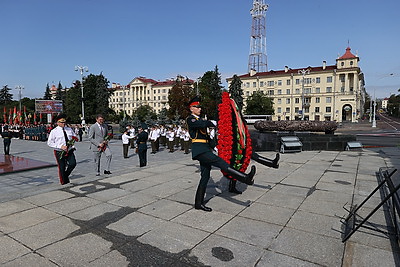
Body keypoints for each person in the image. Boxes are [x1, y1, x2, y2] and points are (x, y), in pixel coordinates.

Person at [186, 96, 256, 212]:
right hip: (200, 151)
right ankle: (244, 178)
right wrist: (210, 122)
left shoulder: (200, 120)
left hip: (205, 149)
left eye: (199, 107)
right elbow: (201, 125)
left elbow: (208, 138)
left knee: (205, 177)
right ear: (191, 108)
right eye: (197, 107)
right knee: (220, 163)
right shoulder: (191, 120)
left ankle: (198, 203)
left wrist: (215, 147)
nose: (199, 109)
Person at [47, 114, 77, 185]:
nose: (63, 124)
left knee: (73, 164)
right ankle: (64, 182)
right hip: (59, 151)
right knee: (62, 167)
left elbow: (74, 136)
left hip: (69, 150)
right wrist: (60, 146)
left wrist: (73, 141)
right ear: (57, 123)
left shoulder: (69, 129)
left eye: (64, 122)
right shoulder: (54, 131)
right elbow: (49, 143)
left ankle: (65, 175)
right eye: (62, 122)